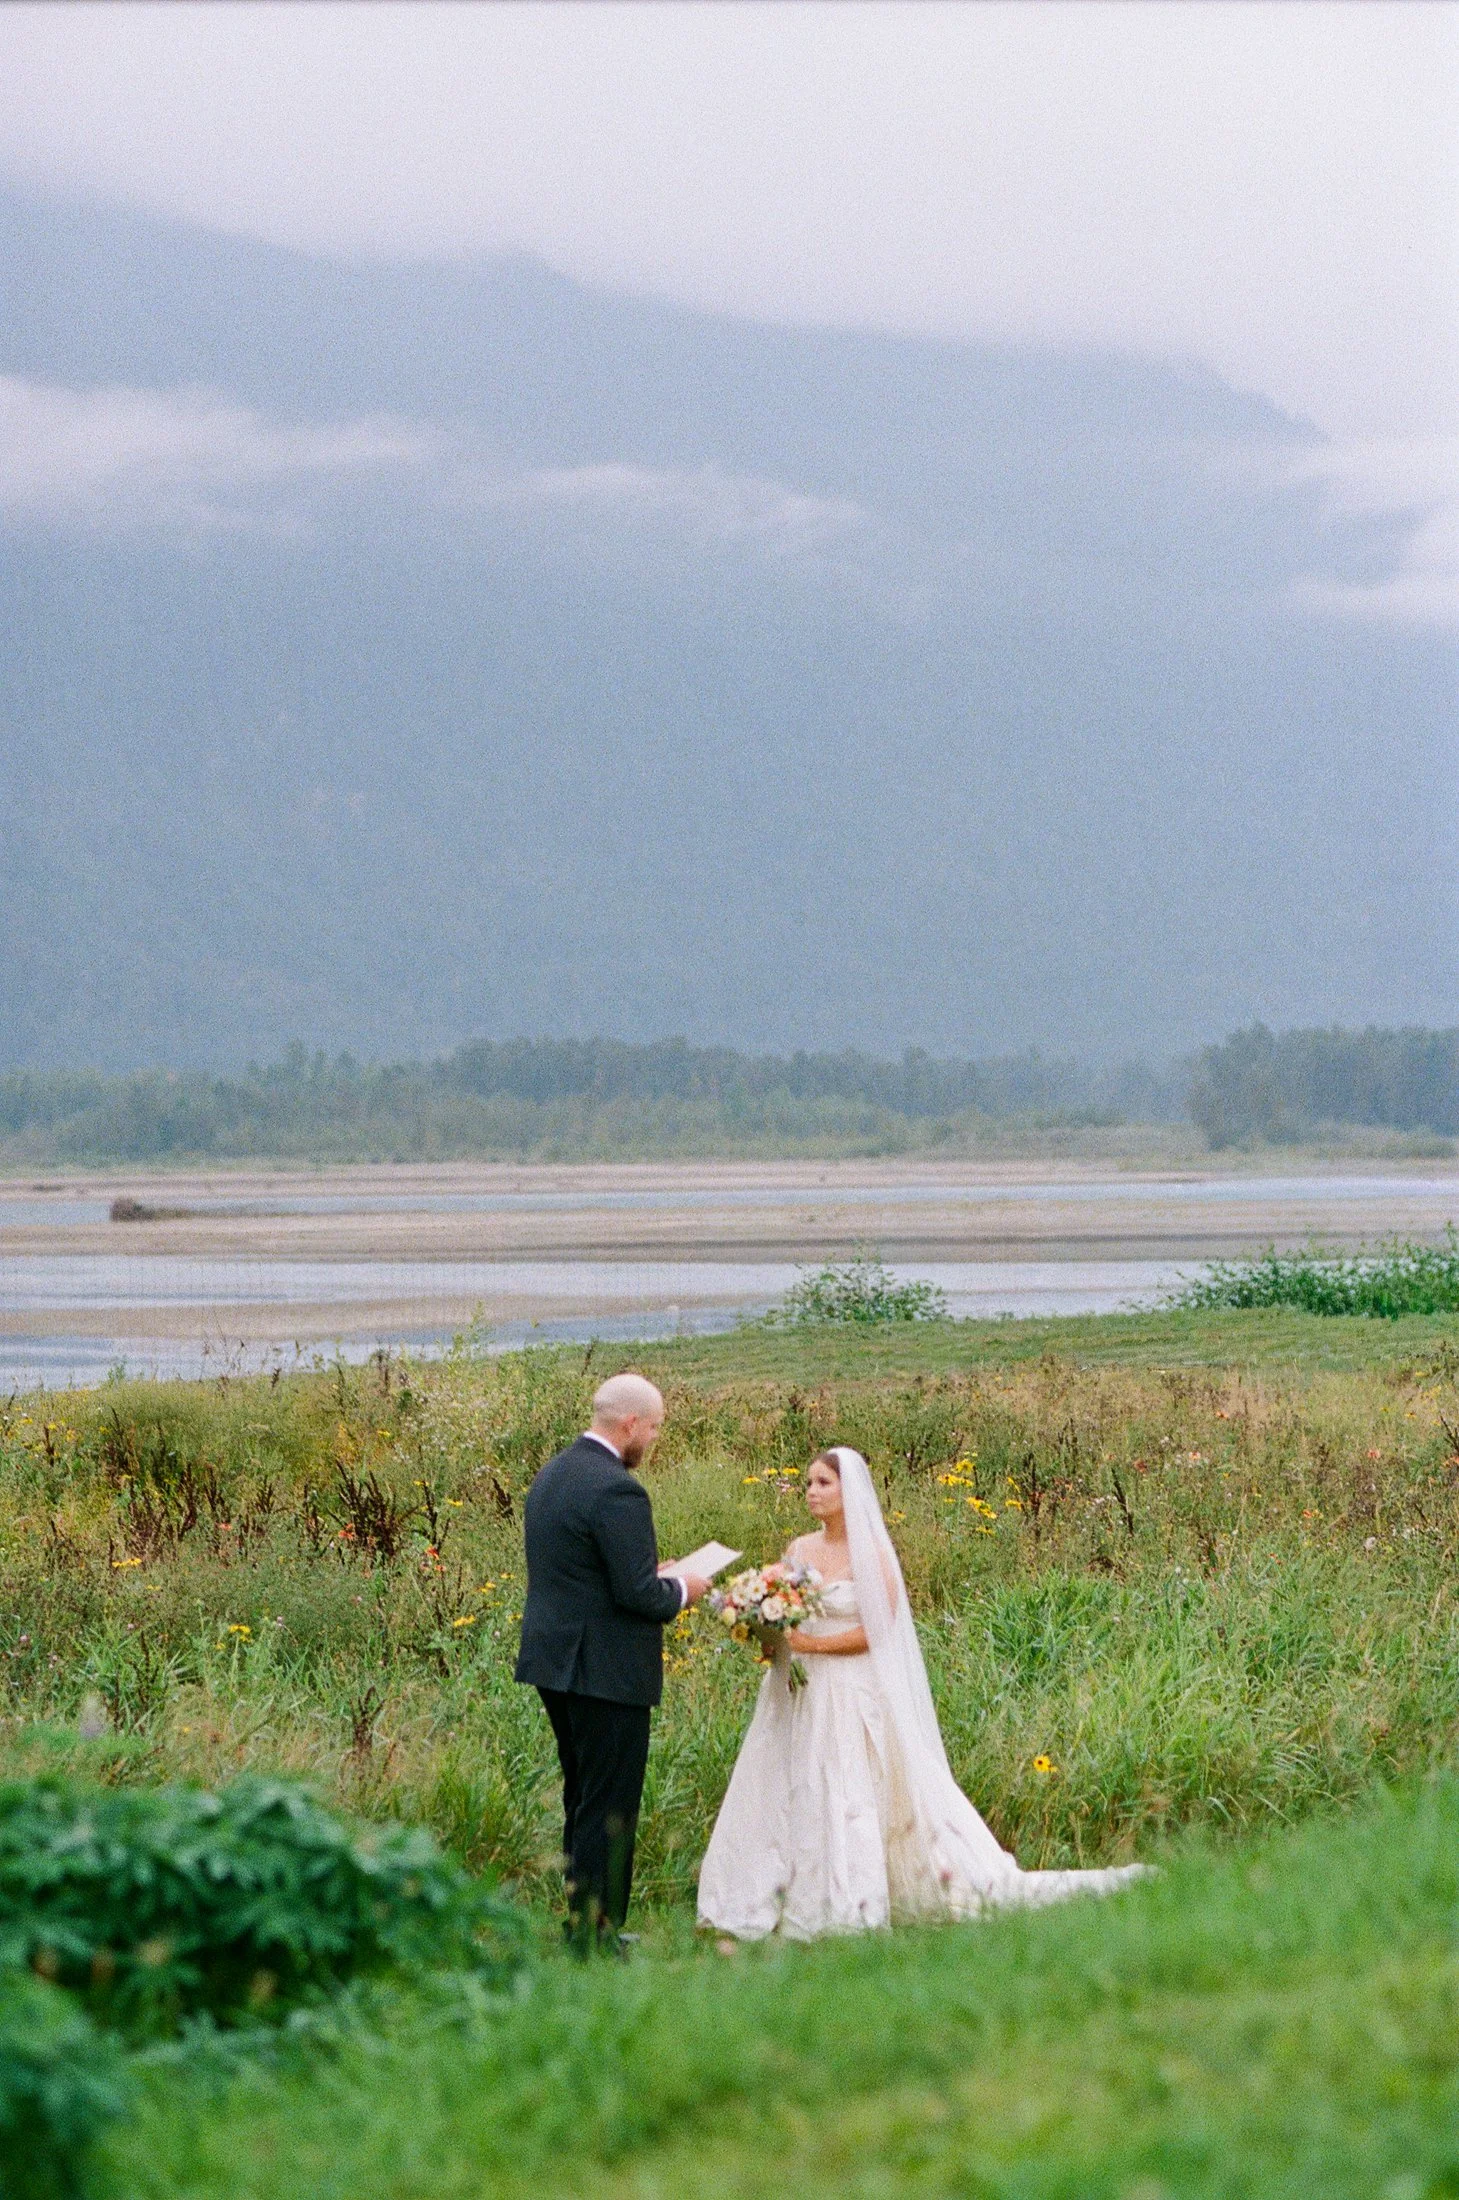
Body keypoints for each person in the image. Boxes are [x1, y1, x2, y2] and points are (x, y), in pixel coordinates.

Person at [697, 1446, 1147, 1939]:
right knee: (796, 1783)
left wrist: (814, 1645)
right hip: (801, 1688)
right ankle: (780, 1893)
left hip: (852, 1687)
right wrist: (767, 1630)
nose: (812, 1492)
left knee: (850, 1786)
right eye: (808, 1483)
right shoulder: (800, 1550)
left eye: (823, 1483)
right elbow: (784, 1611)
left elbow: (877, 1631)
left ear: (851, 1492)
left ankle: (855, 1896)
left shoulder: (872, 1552)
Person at [516, 1372, 710, 1944]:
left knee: (583, 1794)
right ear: (630, 1424)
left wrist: (648, 1576)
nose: (651, 1441)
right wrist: (684, 1587)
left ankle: (582, 1924)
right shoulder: (618, 1489)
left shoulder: (555, 1473)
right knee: (610, 1804)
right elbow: (639, 1598)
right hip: (604, 1669)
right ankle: (598, 1935)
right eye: (652, 1430)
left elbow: (582, 1572)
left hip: (556, 1662)